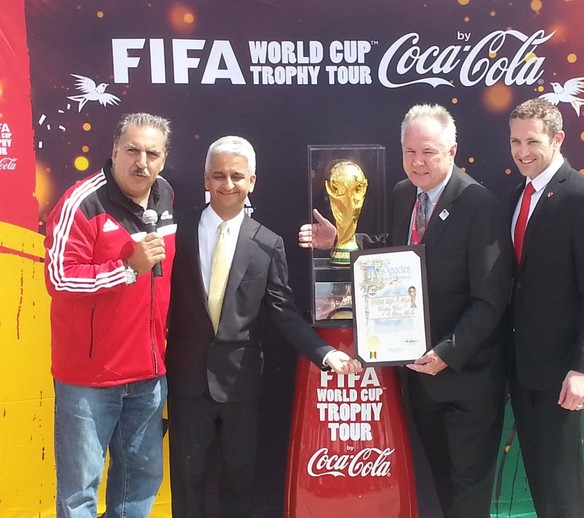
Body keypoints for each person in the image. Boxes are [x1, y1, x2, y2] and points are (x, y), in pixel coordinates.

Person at [299, 104, 513, 517]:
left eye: (428, 152)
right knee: (444, 484)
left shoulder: (478, 204)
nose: (418, 162)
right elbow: (394, 250)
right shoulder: (403, 193)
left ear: (452, 150)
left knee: (469, 493)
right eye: (409, 151)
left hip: (468, 381)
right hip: (420, 379)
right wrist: (341, 240)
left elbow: (491, 300)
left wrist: (447, 353)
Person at [165, 136, 362, 517]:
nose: (227, 184)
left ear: (252, 181)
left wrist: (325, 353)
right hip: (187, 382)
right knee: (186, 484)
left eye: (237, 176)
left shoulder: (267, 243)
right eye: (218, 175)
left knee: (239, 483)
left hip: (242, 386)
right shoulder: (179, 233)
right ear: (205, 179)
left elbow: (283, 312)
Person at [44, 112, 175, 517]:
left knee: (139, 482)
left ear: (164, 159)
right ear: (114, 150)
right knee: (79, 491)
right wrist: (127, 268)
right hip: (89, 378)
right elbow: (59, 277)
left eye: (152, 153)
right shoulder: (81, 202)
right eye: (132, 150)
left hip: (149, 375)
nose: (142, 162)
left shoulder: (165, 195)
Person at [507, 98, 584, 517]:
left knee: (562, 487)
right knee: (541, 479)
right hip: (523, 368)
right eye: (515, 141)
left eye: (532, 141)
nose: (521, 152)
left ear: (558, 139)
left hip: (561, 372)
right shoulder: (520, 194)